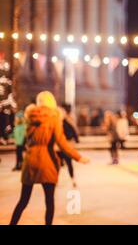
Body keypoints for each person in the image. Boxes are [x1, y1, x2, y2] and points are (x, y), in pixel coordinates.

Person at [10, 91, 89, 225]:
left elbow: (24, 140)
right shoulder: (54, 118)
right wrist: (78, 157)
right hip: (47, 162)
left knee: (23, 200)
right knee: (49, 201)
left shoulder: (30, 117)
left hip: (30, 161)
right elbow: (61, 142)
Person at [57, 104, 80, 187]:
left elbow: (73, 132)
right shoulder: (56, 124)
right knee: (58, 165)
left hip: (65, 147)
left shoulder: (66, 123)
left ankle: (73, 179)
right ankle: (56, 179)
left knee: (68, 164)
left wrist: (74, 139)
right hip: (58, 148)